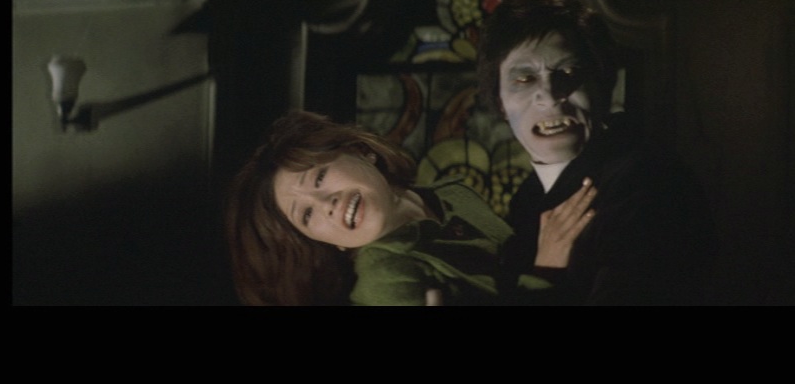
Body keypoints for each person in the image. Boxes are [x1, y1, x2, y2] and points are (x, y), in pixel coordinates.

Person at [477, 0, 717, 305]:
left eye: (568, 72)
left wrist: (546, 276)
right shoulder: (527, 199)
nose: (549, 95)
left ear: (602, 84)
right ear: (499, 102)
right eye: (524, 79)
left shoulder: (648, 184)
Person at [223, 109, 598, 306]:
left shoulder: (451, 193)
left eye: (319, 177)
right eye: (306, 215)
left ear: (361, 151)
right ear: (327, 242)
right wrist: (548, 269)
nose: (326, 205)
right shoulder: (383, 276)